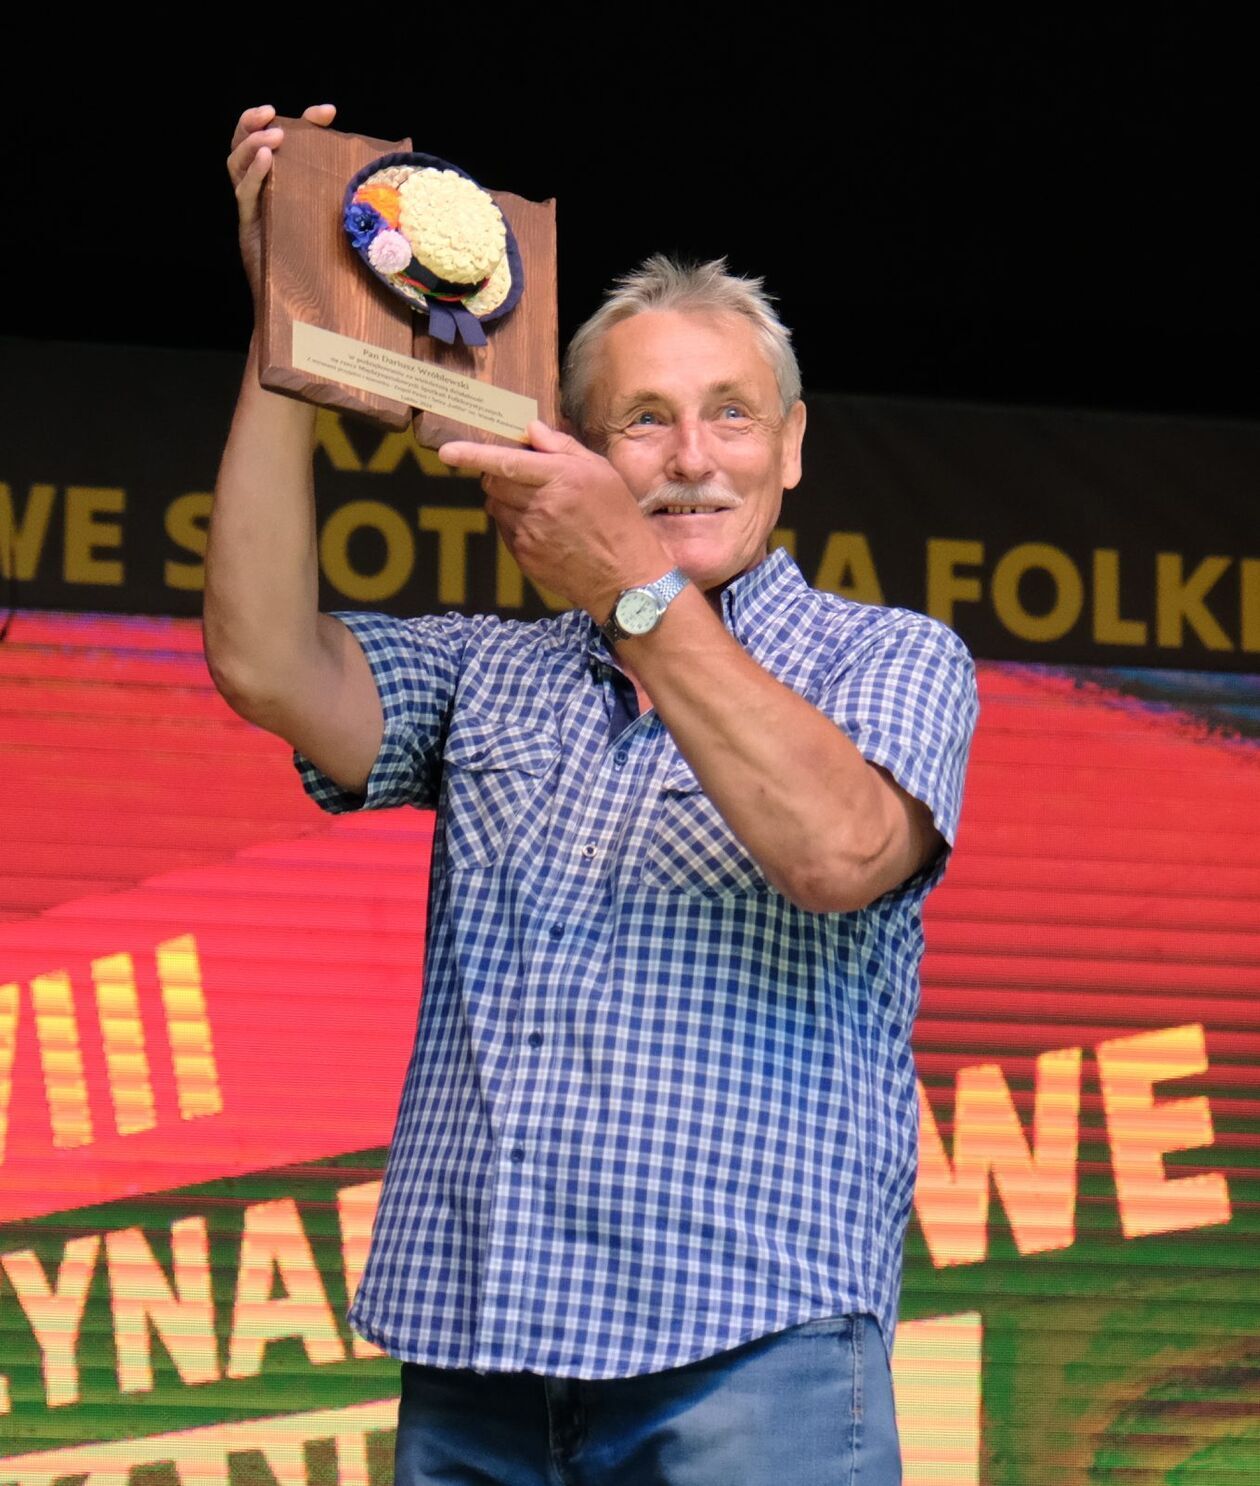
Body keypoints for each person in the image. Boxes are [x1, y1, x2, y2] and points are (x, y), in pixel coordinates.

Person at [210, 104, 978, 1486]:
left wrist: (635, 587)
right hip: (479, 1369)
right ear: (571, 443)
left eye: (729, 415)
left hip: (755, 1367)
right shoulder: (489, 670)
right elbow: (268, 659)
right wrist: (287, 328)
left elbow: (840, 847)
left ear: (793, 447)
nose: (690, 456)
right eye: (644, 419)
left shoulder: (892, 655)